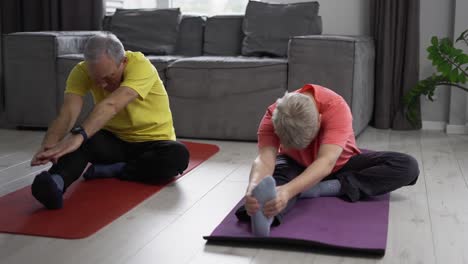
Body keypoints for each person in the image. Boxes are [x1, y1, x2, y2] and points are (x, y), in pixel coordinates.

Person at [30, 33, 189, 209]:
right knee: (83, 140)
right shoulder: (81, 71)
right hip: (114, 141)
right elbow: (67, 112)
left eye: (108, 77)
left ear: (123, 62)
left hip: (153, 143)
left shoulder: (140, 65)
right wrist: (49, 146)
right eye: (96, 80)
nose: (103, 85)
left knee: (178, 155)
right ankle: (56, 183)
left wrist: (79, 135)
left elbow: (112, 104)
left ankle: (118, 169)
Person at [236, 84, 419, 236]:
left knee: (407, 166)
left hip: (341, 163)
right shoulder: (273, 115)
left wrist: (289, 190)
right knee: (274, 187)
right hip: (294, 164)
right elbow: (265, 159)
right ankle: (265, 211)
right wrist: (253, 187)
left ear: (319, 120)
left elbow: (326, 163)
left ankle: (322, 188)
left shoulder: (336, 107)